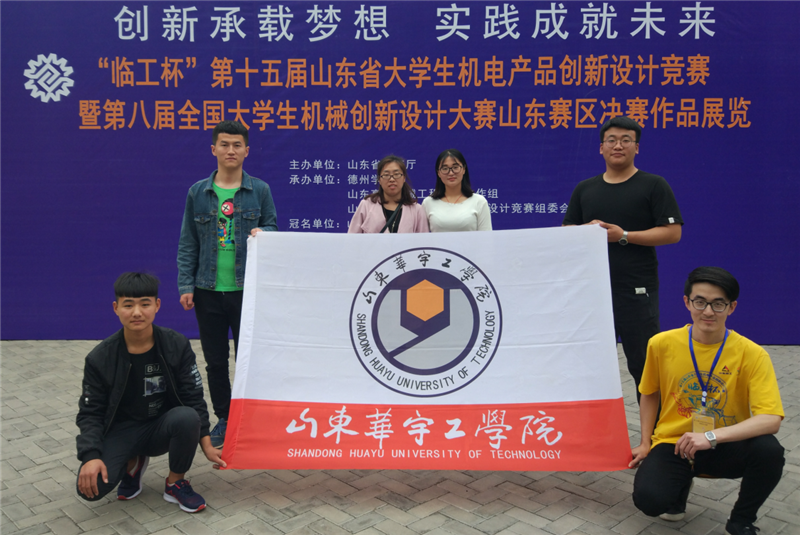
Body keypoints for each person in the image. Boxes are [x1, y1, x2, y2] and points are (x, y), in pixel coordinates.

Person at [630, 267, 784, 535]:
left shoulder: (753, 354)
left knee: (769, 451)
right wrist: (645, 443)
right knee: (650, 500)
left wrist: (711, 436)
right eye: (700, 302)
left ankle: (741, 520)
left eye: (718, 304)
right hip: (673, 443)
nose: (708, 312)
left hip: (724, 444)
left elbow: (771, 419)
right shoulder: (661, 344)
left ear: (732, 307)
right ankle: (678, 489)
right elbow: (650, 393)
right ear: (687, 302)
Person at [76, 273, 225, 513]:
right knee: (90, 489)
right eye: (128, 305)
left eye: (145, 304)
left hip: (161, 427)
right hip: (121, 430)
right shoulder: (99, 358)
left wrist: (207, 444)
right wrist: (90, 456)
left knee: (187, 417)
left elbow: (193, 396)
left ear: (157, 305)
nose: (137, 312)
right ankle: (132, 465)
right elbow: (90, 413)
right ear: (116, 308)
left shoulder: (176, 344)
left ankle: (175, 483)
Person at [562, 116, 683, 395]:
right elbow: (567, 230)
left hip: (636, 290)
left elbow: (672, 232)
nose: (618, 146)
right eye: (612, 140)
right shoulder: (585, 188)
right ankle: (595, 423)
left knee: (644, 366)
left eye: (626, 140)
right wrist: (586, 230)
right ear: (601, 148)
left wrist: (624, 235)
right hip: (592, 291)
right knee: (589, 366)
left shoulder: (654, 185)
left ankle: (652, 425)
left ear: (636, 147)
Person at [177, 120, 278, 448]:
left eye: (237, 145)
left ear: (247, 151)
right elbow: (188, 242)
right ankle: (225, 417)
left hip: (247, 290)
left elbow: (273, 227)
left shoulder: (259, 190)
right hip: (208, 290)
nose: (230, 150)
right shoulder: (198, 192)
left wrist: (265, 233)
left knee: (249, 358)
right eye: (224, 144)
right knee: (216, 361)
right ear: (214, 149)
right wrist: (186, 285)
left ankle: (253, 417)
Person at [348, 155, 429, 234]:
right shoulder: (366, 205)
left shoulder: (417, 210)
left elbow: (423, 241)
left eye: (396, 174)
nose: (392, 179)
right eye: (386, 175)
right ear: (379, 180)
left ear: (404, 178)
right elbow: (352, 239)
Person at [422, 149, 492, 232]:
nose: (451, 173)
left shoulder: (479, 202)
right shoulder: (428, 203)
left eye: (455, 167)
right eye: (445, 168)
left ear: (464, 169)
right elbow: (423, 237)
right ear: (438, 173)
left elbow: (486, 237)